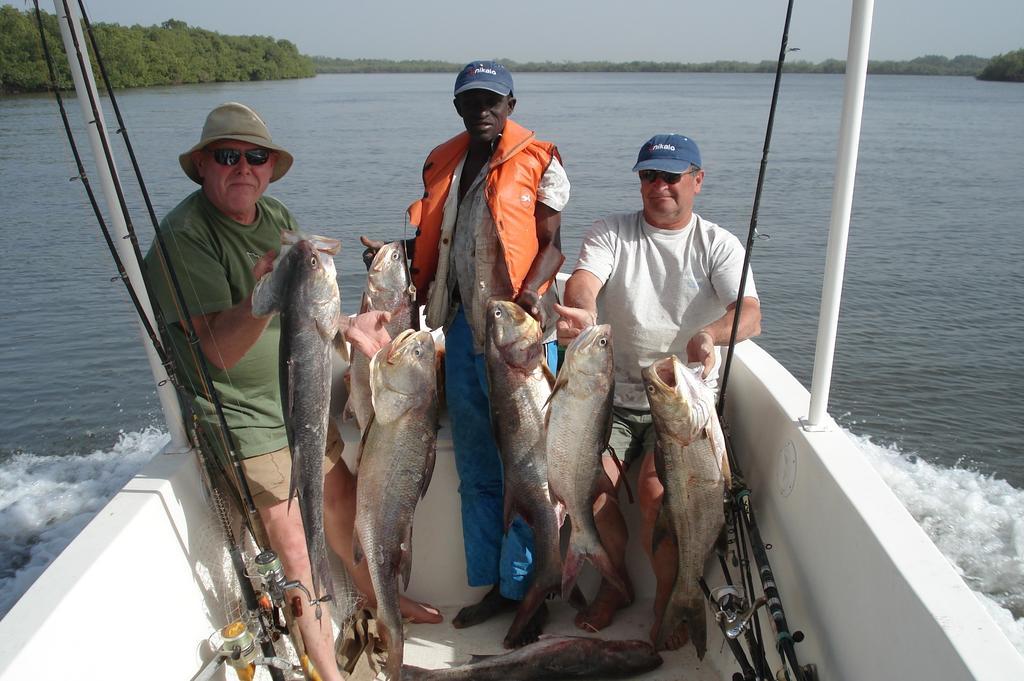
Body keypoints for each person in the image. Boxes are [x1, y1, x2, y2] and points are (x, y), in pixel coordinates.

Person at [143, 102, 439, 681]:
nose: (243, 168)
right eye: (227, 157)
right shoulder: (185, 238)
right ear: (202, 165)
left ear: (270, 168)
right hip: (242, 416)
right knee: (297, 548)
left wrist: (351, 329)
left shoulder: (273, 212)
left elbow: (308, 314)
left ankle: (379, 600)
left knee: (344, 501)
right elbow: (218, 351)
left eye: (256, 157)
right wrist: (265, 295)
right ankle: (329, 671)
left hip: (297, 395)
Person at [363, 60, 570, 642]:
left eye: (492, 100)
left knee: (529, 470)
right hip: (460, 333)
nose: (481, 109)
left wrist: (530, 296)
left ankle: (535, 587)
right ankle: (496, 588)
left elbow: (553, 244)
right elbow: (443, 239)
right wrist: (396, 253)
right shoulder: (445, 163)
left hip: (521, 343)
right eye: (470, 100)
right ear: (458, 107)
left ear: (511, 104)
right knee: (477, 469)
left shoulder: (543, 160)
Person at [555, 133, 761, 649]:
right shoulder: (612, 232)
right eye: (649, 176)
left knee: (656, 494)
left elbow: (750, 313)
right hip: (612, 396)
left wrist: (710, 335)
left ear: (698, 180)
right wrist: (581, 309)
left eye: (672, 176)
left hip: (680, 401)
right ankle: (615, 585)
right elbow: (584, 281)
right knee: (586, 490)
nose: (660, 186)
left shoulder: (718, 243)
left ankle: (673, 598)